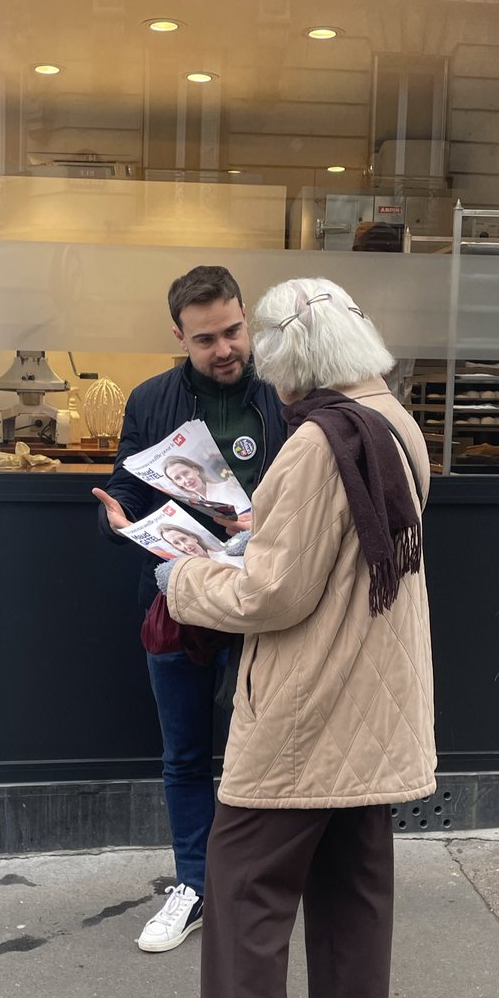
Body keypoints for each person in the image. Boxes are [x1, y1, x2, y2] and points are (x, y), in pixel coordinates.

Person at [151, 277, 436, 998]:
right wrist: (256, 542)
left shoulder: (318, 444)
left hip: (308, 705)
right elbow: (345, 555)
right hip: (375, 699)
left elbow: (275, 595)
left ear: (292, 360)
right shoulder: (394, 420)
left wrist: (186, 575)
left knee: (241, 889)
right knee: (354, 887)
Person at [92, 265, 287, 954]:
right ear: (180, 336)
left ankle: (255, 884)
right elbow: (131, 488)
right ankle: (195, 884)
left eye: (233, 331)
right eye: (206, 339)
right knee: (183, 753)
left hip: (265, 601)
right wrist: (118, 522)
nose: (225, 348)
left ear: (246, 321)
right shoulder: (152, 399)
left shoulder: (283, 393)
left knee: (261, 746)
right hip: (178, 597)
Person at [163, 456, 248, 514]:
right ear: (176, 483)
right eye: (178, 478)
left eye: (186, 473)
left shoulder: (229, 487)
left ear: (195, 470)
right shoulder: (199, 508)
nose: (186, 480)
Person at [158, 524, 226, 561]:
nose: (185, 546)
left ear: (193, 537)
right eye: (177, 543)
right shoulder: (194, 572)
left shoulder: (222, 553)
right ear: (176, 548)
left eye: (184, 539)